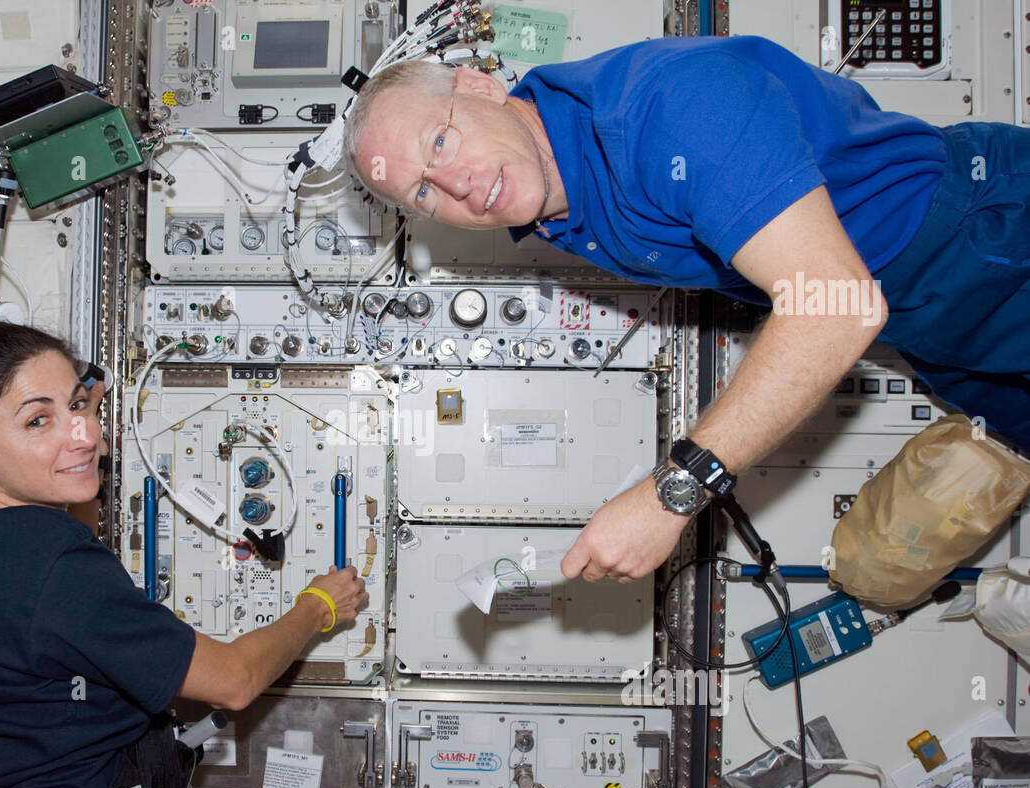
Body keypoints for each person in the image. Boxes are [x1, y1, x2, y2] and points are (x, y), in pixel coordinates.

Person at [343, 34, 1030, 585]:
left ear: (478, 86)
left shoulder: (667, 108)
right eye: (423, 194)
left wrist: (670, 492)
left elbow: (836, 303)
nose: (458, 186)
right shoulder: (558, 195)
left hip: (984, 238)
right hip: (928, 317)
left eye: (440, 142)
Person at [0, 323, 367, 788]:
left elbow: (64, 530)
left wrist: (69, 426)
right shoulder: (56, 571)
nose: (83, 434)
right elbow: (235, 682)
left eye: (78, 405)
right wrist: (320, 607)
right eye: (38, 420)